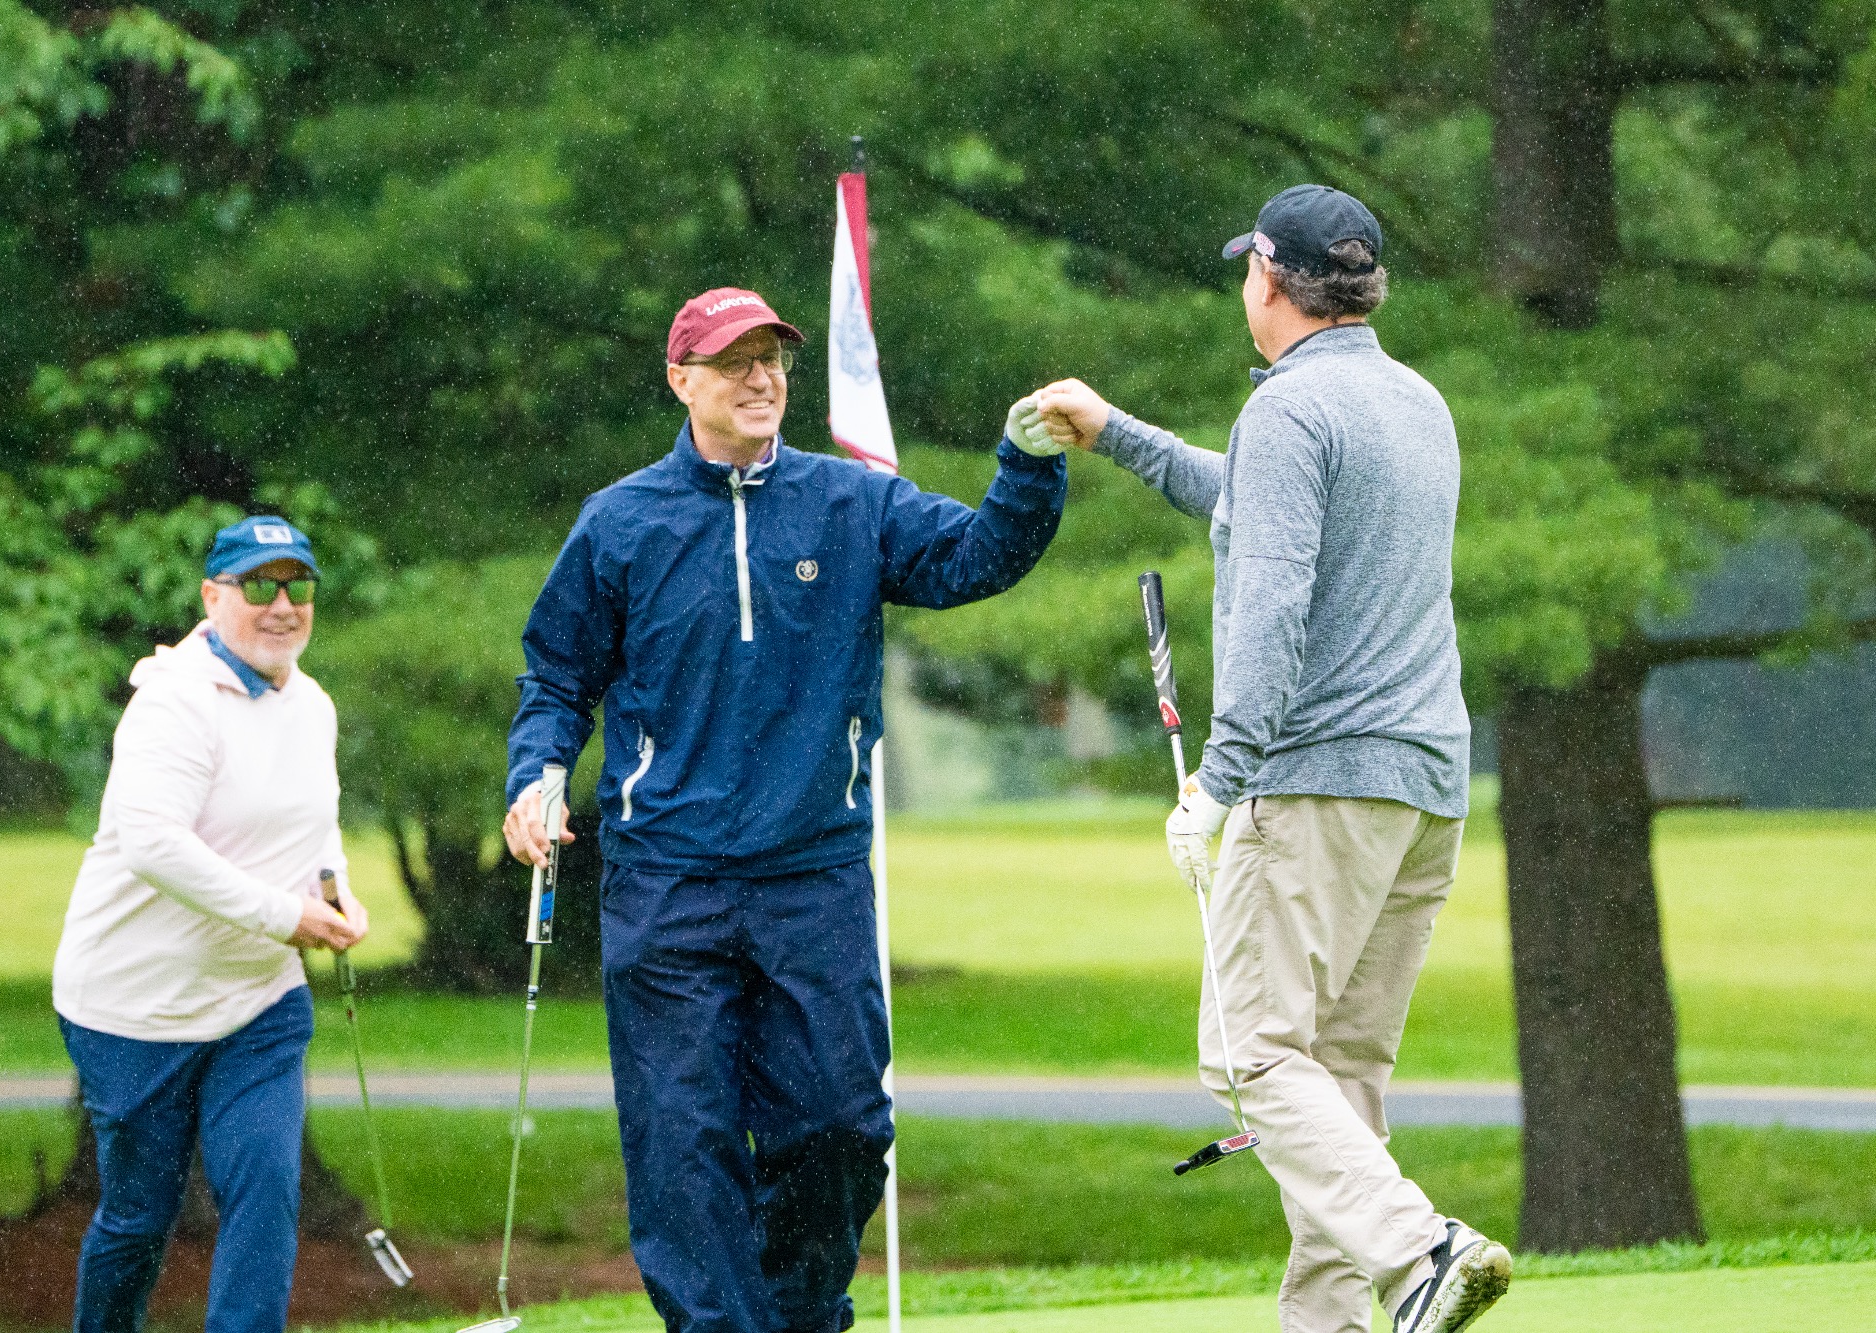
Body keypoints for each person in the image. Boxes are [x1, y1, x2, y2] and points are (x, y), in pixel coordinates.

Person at [503, 287, 1067, 1333]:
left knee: (840, 1125)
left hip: (811, 874)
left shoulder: (852, 504)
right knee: (683, 1143)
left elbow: (975, 556)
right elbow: (555, 678)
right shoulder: (619, 522)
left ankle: (798, 1313)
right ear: (681, 380)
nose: (761, 379)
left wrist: (1025, 464)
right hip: (666, 881)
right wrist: (534, 775)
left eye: (772, 359)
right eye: (733, 362)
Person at [1020, 186, 1510, 1333]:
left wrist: (1217, 782)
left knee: (1247, 1060)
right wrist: (1118, 433)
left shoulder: (1290, 414)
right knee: (1333, 1082)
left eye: (1248, 268)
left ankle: (1418, 1248)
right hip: (1422, 788)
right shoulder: (1412, 401)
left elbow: (1271, 610)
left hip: (1316, 780)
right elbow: (1248, 503)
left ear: (1271, 281)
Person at [52, 516, 368, 1333]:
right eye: (259, 585)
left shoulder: (313, 705)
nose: (282, 604)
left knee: (266, 1188)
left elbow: (313, 829)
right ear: (212, 595)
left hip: (258, 1000)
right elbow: (156, 844)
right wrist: (279, 913)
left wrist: (332, 894)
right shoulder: (173, 702)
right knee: (138, 1218)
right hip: (134, 1009)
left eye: (299, 585)